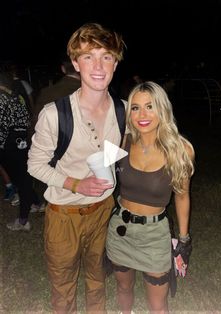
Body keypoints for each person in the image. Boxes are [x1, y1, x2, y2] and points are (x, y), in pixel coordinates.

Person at [27, 22, 126, 313]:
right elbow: (34, 164)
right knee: (63, 287)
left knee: (97, 280)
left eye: (106, 56)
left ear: (115, 63)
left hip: (102, 211)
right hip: (64, 216)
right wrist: (75, 183)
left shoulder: (123, 110)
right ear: (75, 63)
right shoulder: (54, 114)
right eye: (88, 56)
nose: (98, 65)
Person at [106, 81, 195, 313]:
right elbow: (91, 165)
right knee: (123, 290)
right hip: (120, 229)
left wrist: (184, 241)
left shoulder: (181, 149)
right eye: (135, 108)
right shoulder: (121, 142)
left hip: (155, 235)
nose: (142, 115)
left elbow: (182, 197)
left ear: (162, 109)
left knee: (158, 304)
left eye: (150, 106)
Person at [29, 55, 81, 213]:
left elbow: (36, 122)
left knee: (54, 178)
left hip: (55, 146)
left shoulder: (48, 92)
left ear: (63, 68)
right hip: (83, 148)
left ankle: (55, 203)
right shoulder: (94, 90)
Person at [0, 71, 40, 231]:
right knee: (22, 177)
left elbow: (1, 127)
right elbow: (26, 119)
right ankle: (36, 203)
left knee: (21, 180)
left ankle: (23, 220)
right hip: (22, 141)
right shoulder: (15, 95)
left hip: (10, 144)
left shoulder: (1, 98)